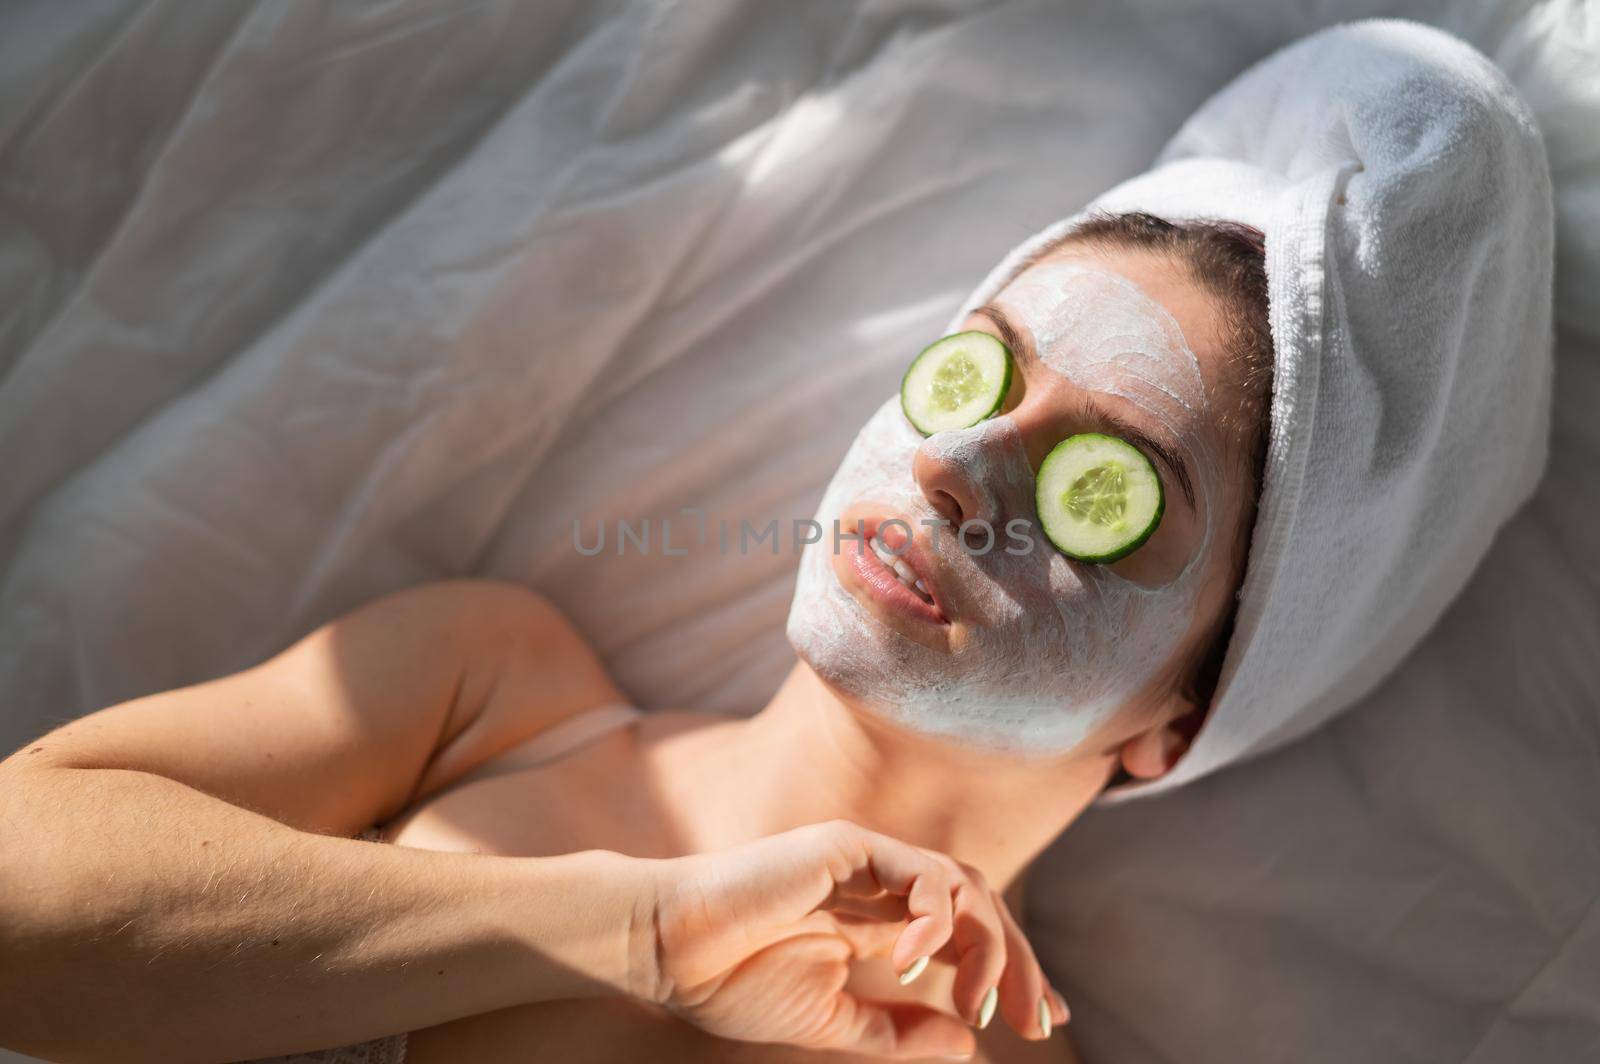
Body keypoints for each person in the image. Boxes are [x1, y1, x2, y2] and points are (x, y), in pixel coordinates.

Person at [0, 19, 1553, 1064]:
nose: (963, 462)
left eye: (1110, 482)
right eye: (981, 367)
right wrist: (641, 932)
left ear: (1179, 719)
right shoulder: (491, 685)